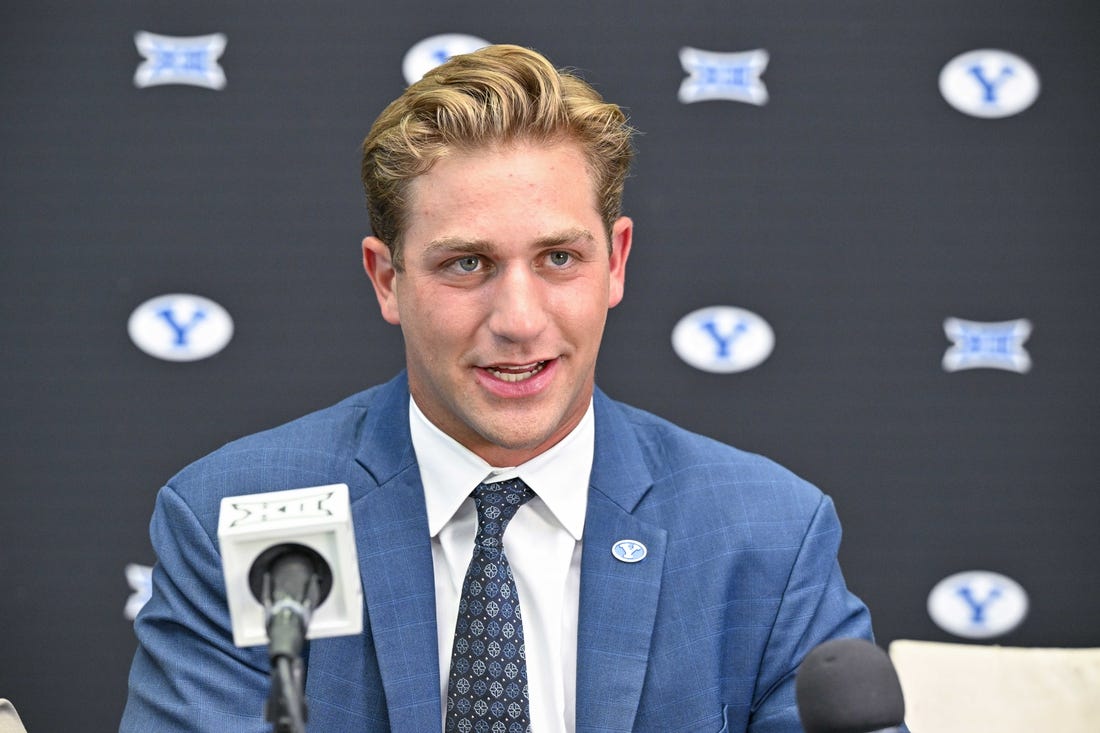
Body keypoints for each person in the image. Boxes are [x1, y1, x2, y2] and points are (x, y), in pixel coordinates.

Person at [121, 44, 878, 733]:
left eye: (557, 258)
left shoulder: (769, 537)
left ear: (615, 263)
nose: (519, 320)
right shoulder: (239, 518)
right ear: (388, 279)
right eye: (467, 264)